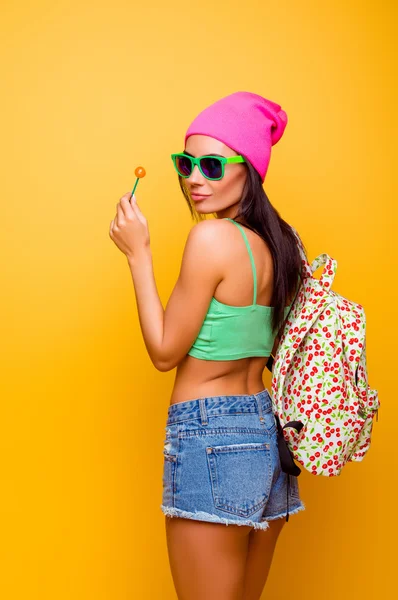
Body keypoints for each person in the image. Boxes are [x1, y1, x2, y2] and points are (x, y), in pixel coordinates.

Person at [109, 91, 308, 600]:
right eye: (187, 163)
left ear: (250, 170)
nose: (195, 178)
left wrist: (138, 254)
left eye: (213, 165)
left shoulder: (212, 240)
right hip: (266, 434)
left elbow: (163, 351)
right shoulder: (279, 244)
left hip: (211, 434)